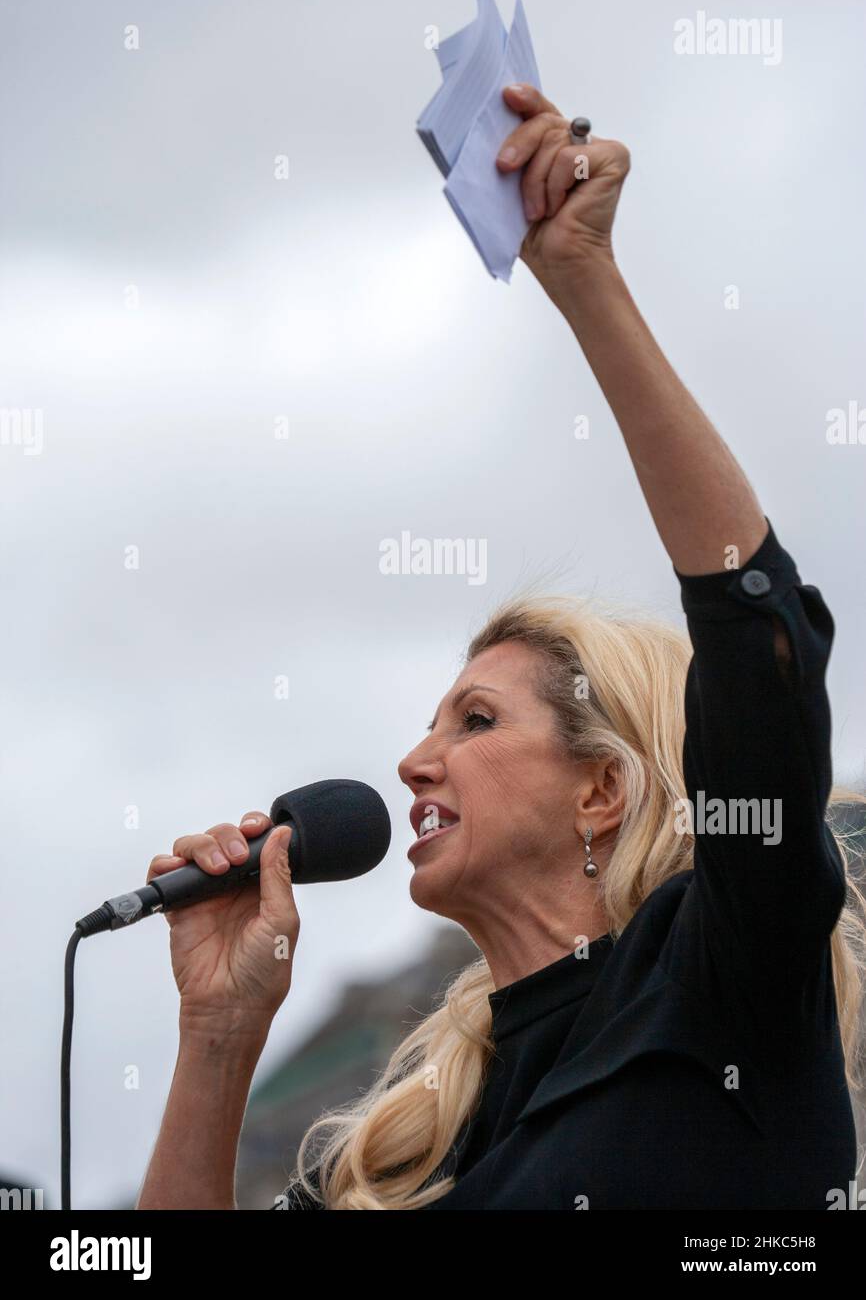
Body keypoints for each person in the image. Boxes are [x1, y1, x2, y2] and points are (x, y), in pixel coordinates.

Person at [136, 82, 865, 1211]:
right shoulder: (390, 1147)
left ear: (600, 791)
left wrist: (582, 280)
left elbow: (757, 643)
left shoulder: (715, 978)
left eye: (474, 720)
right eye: (433, 724)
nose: (412, 764)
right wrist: (219, 1032)